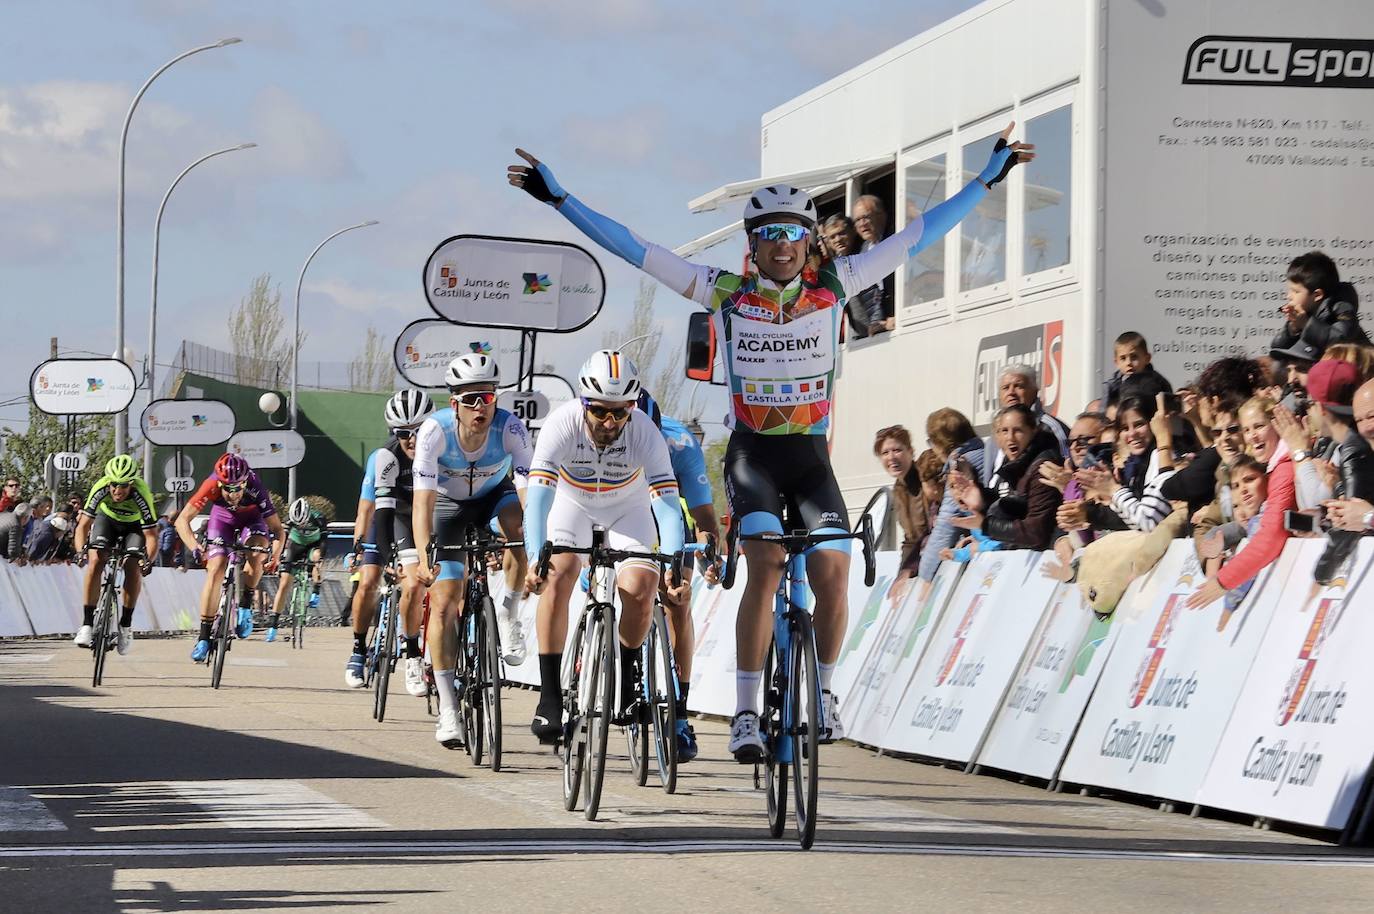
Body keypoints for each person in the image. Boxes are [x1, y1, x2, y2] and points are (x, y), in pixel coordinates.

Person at [507, 125, 1034, 758]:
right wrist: (560, 200)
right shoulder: (723, 291)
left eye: (792, 234)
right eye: (769, 235)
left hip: (811, 459)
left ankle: (827, 692)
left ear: (808, 240)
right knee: (765, 563)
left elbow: (920, 235)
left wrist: (983, 179)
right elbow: (636, 248)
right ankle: (748, 710)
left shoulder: (838, 283)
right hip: (753, 455)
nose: (782, 246)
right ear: (752, 244)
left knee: (834, 568)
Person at [521, 350, 687, 745]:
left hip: (627, 507)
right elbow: (540, 499)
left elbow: (666, 505)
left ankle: (628, 679)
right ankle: (549, 699)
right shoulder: (560, 425)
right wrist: (534, 556)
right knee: (558, 574)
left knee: (641, 587)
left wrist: (674, 567)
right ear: (583, 404)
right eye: (599, 412)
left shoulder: (645, 431)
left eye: (620, 412)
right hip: (571, 502)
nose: (610, 422)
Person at [412, 357, 532, 748]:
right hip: (448, 506)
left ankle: (510, 612)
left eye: (488, 397)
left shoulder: (510, 427)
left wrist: (535, 537)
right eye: (471, 399)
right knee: (445, 605)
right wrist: (423, 555)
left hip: (494, 496)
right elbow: (422, 503)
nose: (481, 406)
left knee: (517, 528)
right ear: (454, 404)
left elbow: (530, 487)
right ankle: (448, 708)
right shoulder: (435, 432)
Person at [637, 390, 722, 763]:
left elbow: (703, 512)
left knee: (677, 603)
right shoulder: (600, 436)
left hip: (667, 510)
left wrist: (710, 553)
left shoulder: (681, 444)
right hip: (616, 505)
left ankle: (681, 711)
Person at [1186, 396, 1294, 609]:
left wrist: (1223, 581)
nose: (1252, 436)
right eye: (1246, 430)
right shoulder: (1271, 465)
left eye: (1259, 426)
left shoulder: (1284, 468)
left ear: (1277, 424)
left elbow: (1270, 536)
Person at [175, 453, 284, 662]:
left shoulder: (256, 488)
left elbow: (278, 530)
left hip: (252, 519)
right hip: (222, 519)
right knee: (215, 569)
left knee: (257, 549)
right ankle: (204, 637)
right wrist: (195, 547)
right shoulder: (212, 484)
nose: (232, 494)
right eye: (227, 488)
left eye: (237, 488)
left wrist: (275, 555)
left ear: (245, 482)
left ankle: (245, 602)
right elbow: (182, 521)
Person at [71, 455, 158, 655]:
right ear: (108, 482)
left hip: (134, 527)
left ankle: (125, 626)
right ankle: (86, 625)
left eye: (124, 486)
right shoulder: (100, 487)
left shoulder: (141, 493)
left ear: (132, 484)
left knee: (132, 566)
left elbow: (152, 535)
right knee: (96, 560)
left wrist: (149, 560)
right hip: (106, 521)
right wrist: (79, 551)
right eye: (114, 485)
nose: (118, 491)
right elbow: (83, 525)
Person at [952, 405, 1063, 552]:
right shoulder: (1016, 463)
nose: (1010, 438)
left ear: (1033, 430)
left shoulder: (1044, 467)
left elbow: (1035, 532)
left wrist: (986, 526)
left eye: (1018, 430)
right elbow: (1013, 508)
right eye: (1004, 431)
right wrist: (982, 500)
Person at [918, 408, 986, 586]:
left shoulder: (958, 467)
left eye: (931, 442)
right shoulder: (985, 452)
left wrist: (924, 577)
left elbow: (946, 526)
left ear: (941, 443)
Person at [1270, 251, 1369, 358]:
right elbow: (1277, 349)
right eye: (1289, 290)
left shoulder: (1341, 307)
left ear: (1317, 295)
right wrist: (1293, 329)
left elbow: (1341, 341)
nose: (1289, 296)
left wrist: (1306, 324)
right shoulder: (1306, 311)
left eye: (1295, 291)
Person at [987, 364, 1070, 483]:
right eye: (1005, 388)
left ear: (1035, 391)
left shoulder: (1051, 427)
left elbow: (1066, 469)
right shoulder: (993, 437)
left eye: (1018, 386)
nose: (1011, 392)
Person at [267, 497, 327, 644]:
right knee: (284, 584)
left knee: (317, 557)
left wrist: (320, 558)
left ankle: (316, 590)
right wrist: (279, 556)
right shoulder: (289, 519)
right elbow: (283, 538)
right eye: (297, 523)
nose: (301, 524)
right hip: (296, 545)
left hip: (314, 544)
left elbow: (324, 541)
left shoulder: (319, 518)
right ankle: (273, 626)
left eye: (303, 522)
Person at [872, 425, 927, 586]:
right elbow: (910, 540)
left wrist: (909, 569)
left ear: (911, 451)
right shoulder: (898, 489)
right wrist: (901, 574)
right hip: (919, 565)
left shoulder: (926, 480)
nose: (891, 457)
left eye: (897, 450)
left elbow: (933, 531)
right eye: (885, 453)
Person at [1102, 332, 1173, 411]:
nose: (1128, 363)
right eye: (1123, 358)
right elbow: (1103, 415)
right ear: (1116, 362)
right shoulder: (1112, 387)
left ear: (1147, 358)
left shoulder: (1159, 382)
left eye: (1134, 357)